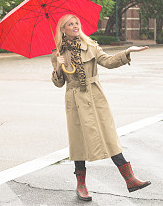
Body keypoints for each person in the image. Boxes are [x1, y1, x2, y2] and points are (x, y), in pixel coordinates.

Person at [51, 14, 150, 201]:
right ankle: (81, 185)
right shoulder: (58, 54)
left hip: (95, 97)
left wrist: (127, 52)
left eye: (77, 23)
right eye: (70, 24)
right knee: (78, 141)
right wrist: (57, 66)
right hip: (74, 100)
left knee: (109, 136)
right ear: (63, 29)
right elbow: (59, 83)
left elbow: (109, 62)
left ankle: (130, 179)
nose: (75, 26)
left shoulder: (91, 46)